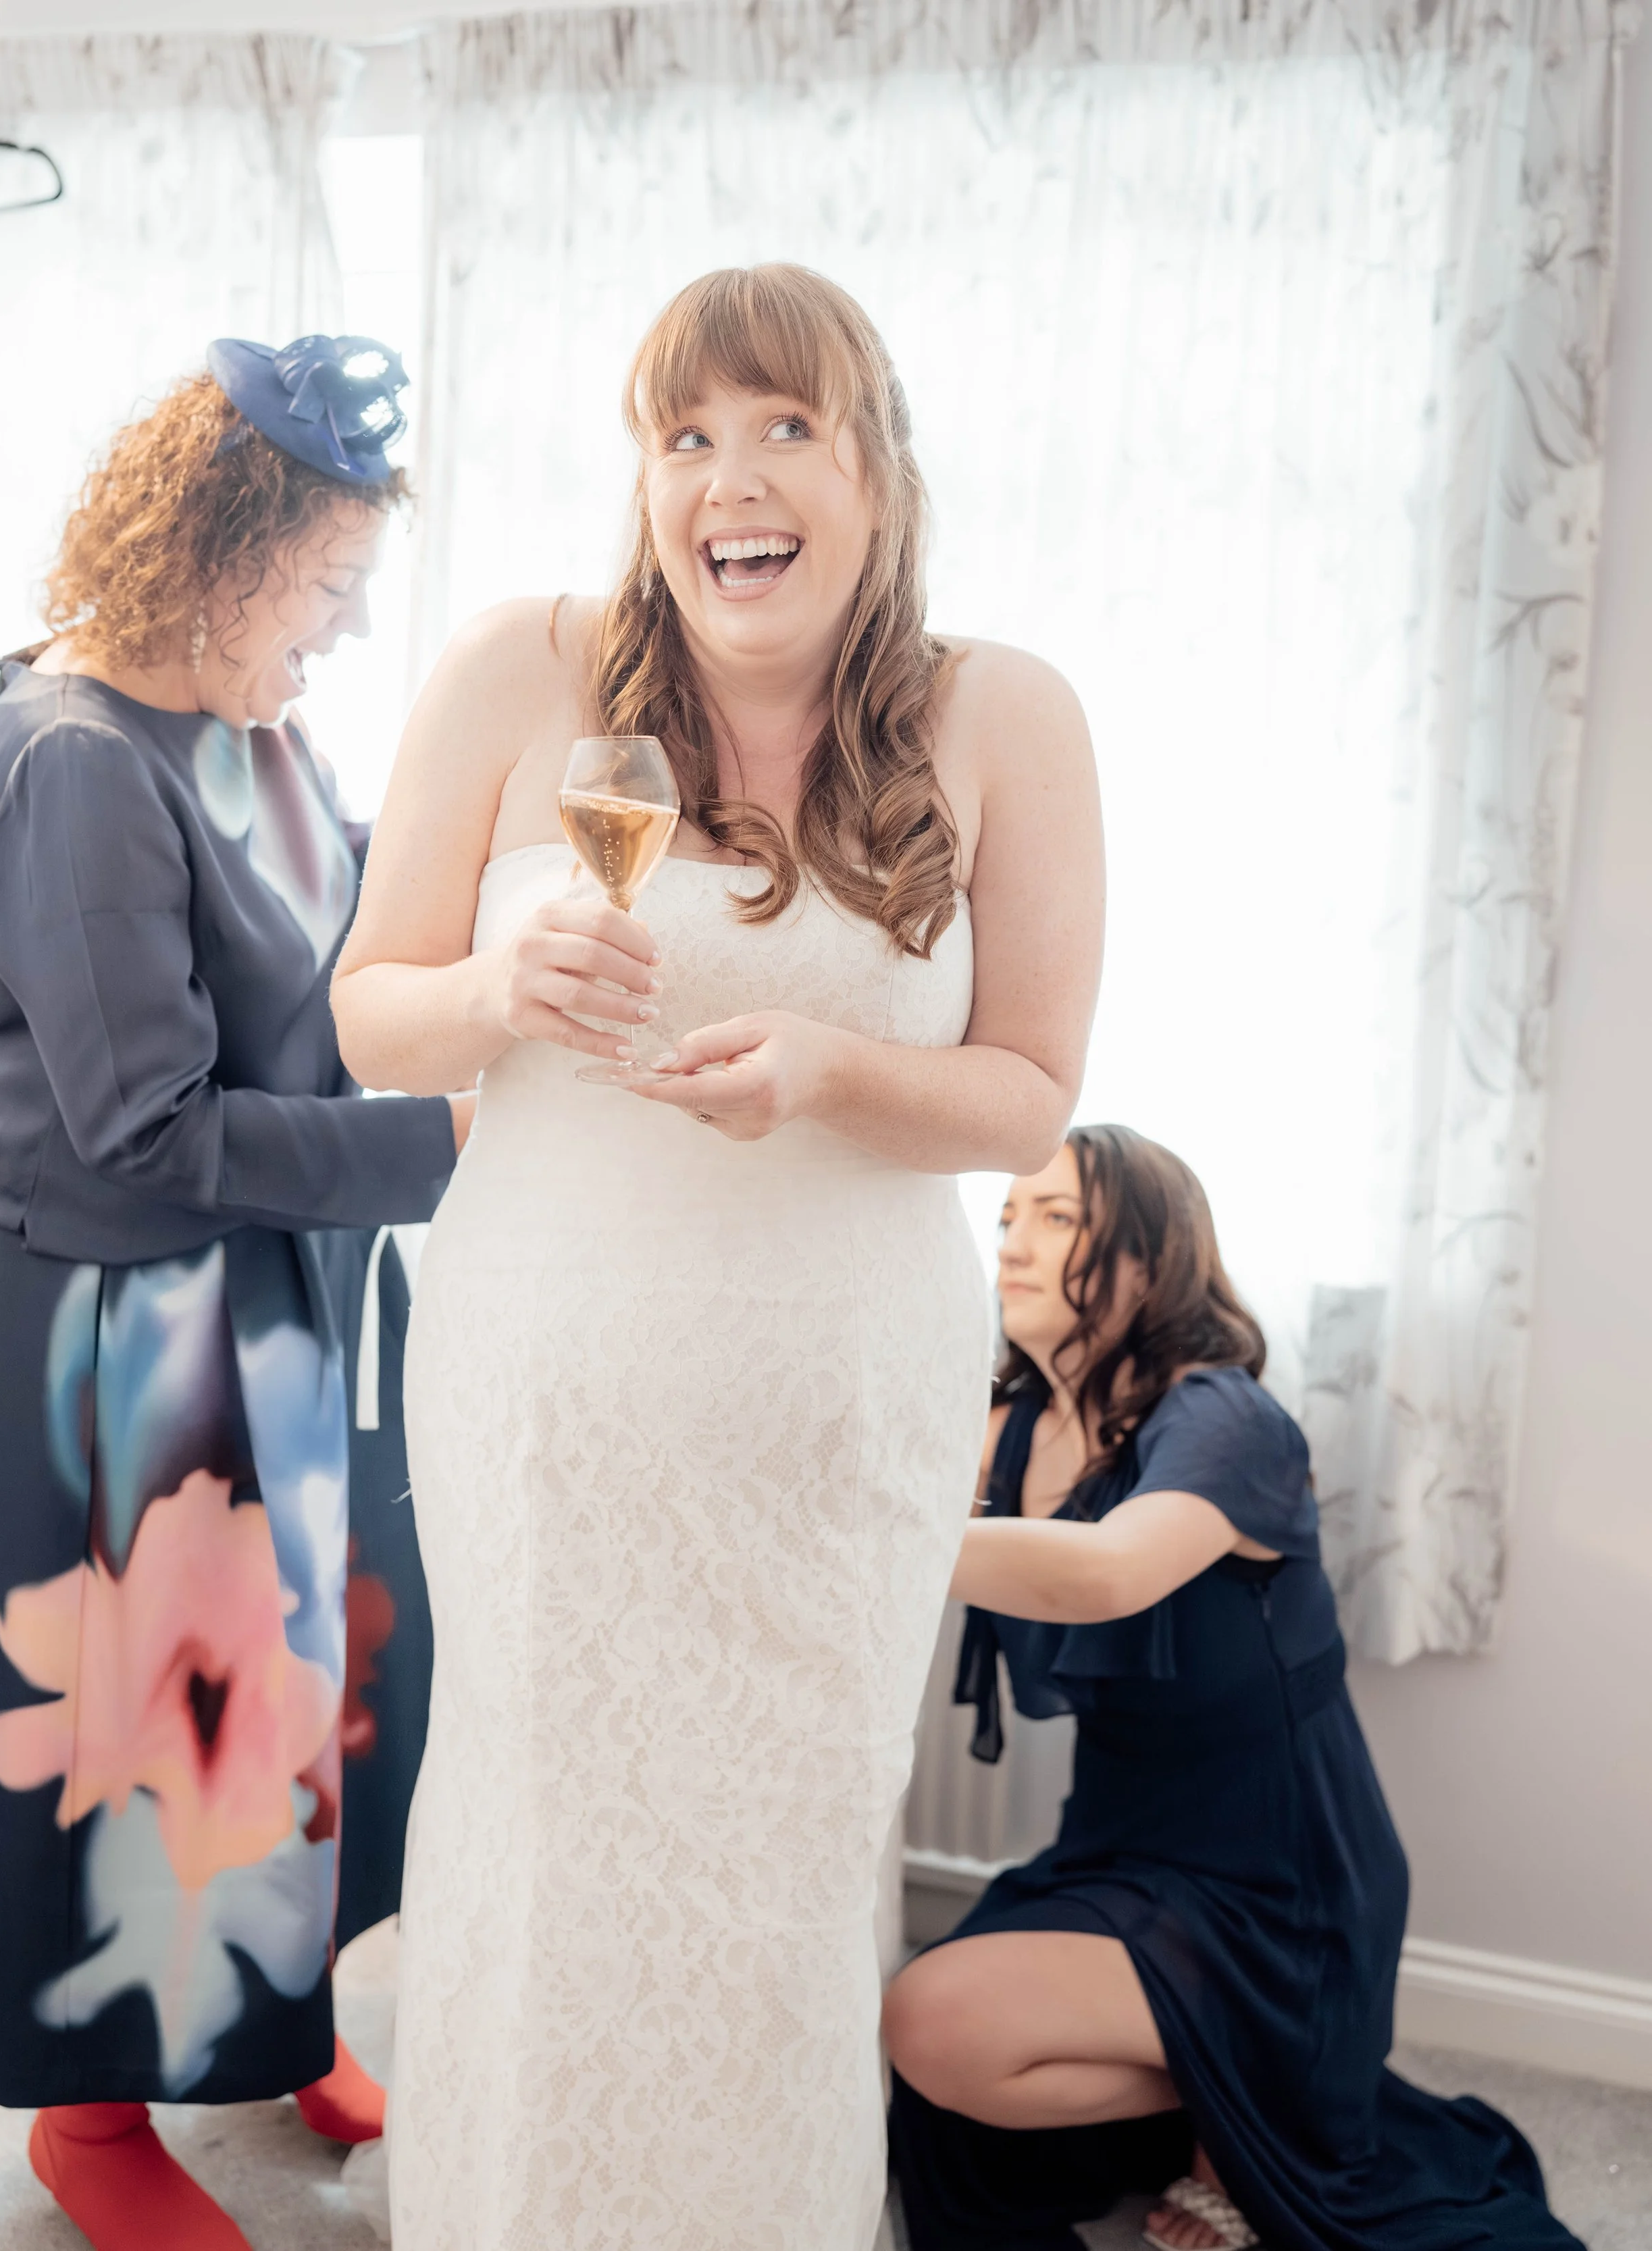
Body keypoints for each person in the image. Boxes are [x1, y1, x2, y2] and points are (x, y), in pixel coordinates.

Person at [329, 262, 1104, 2249]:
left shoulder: (1001, 714)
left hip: (832, 1413)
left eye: (781, 428)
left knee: (775, 1884)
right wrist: (495, 987)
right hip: (546, 1393)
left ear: (875, 472)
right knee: (537, 1853)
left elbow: (1027, 1093)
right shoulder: (519, 671)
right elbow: (370, 1015)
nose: (727, 479)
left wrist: (835, 1072)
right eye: (683, 435)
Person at [0, 336, 469, 2251]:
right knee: (139, 1734)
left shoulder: (254, 723)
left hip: (270, 1293)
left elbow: (329, 941)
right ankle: (93, 2118)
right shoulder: (71, 761)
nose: (344, 628)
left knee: (307, 1696)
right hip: (121, 1335)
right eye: (328, 583)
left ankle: (272, 2021)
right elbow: (149, 1131)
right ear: (225, 554)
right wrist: (444, 1142)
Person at [882, 1126, 1583, 2251]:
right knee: (935, 2063)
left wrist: (876, 1534)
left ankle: (1264, 2095)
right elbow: (865, 1470)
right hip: (1122, 1840)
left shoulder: (1225, 1420)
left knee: (932, 2020)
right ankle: (1257, 2087)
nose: (1010, 1243)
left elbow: (1111, 1571)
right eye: (1008, 1216)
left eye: (1056, 1217)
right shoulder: (1013, 1427)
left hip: (1281, 1875)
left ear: (1150, 1258)